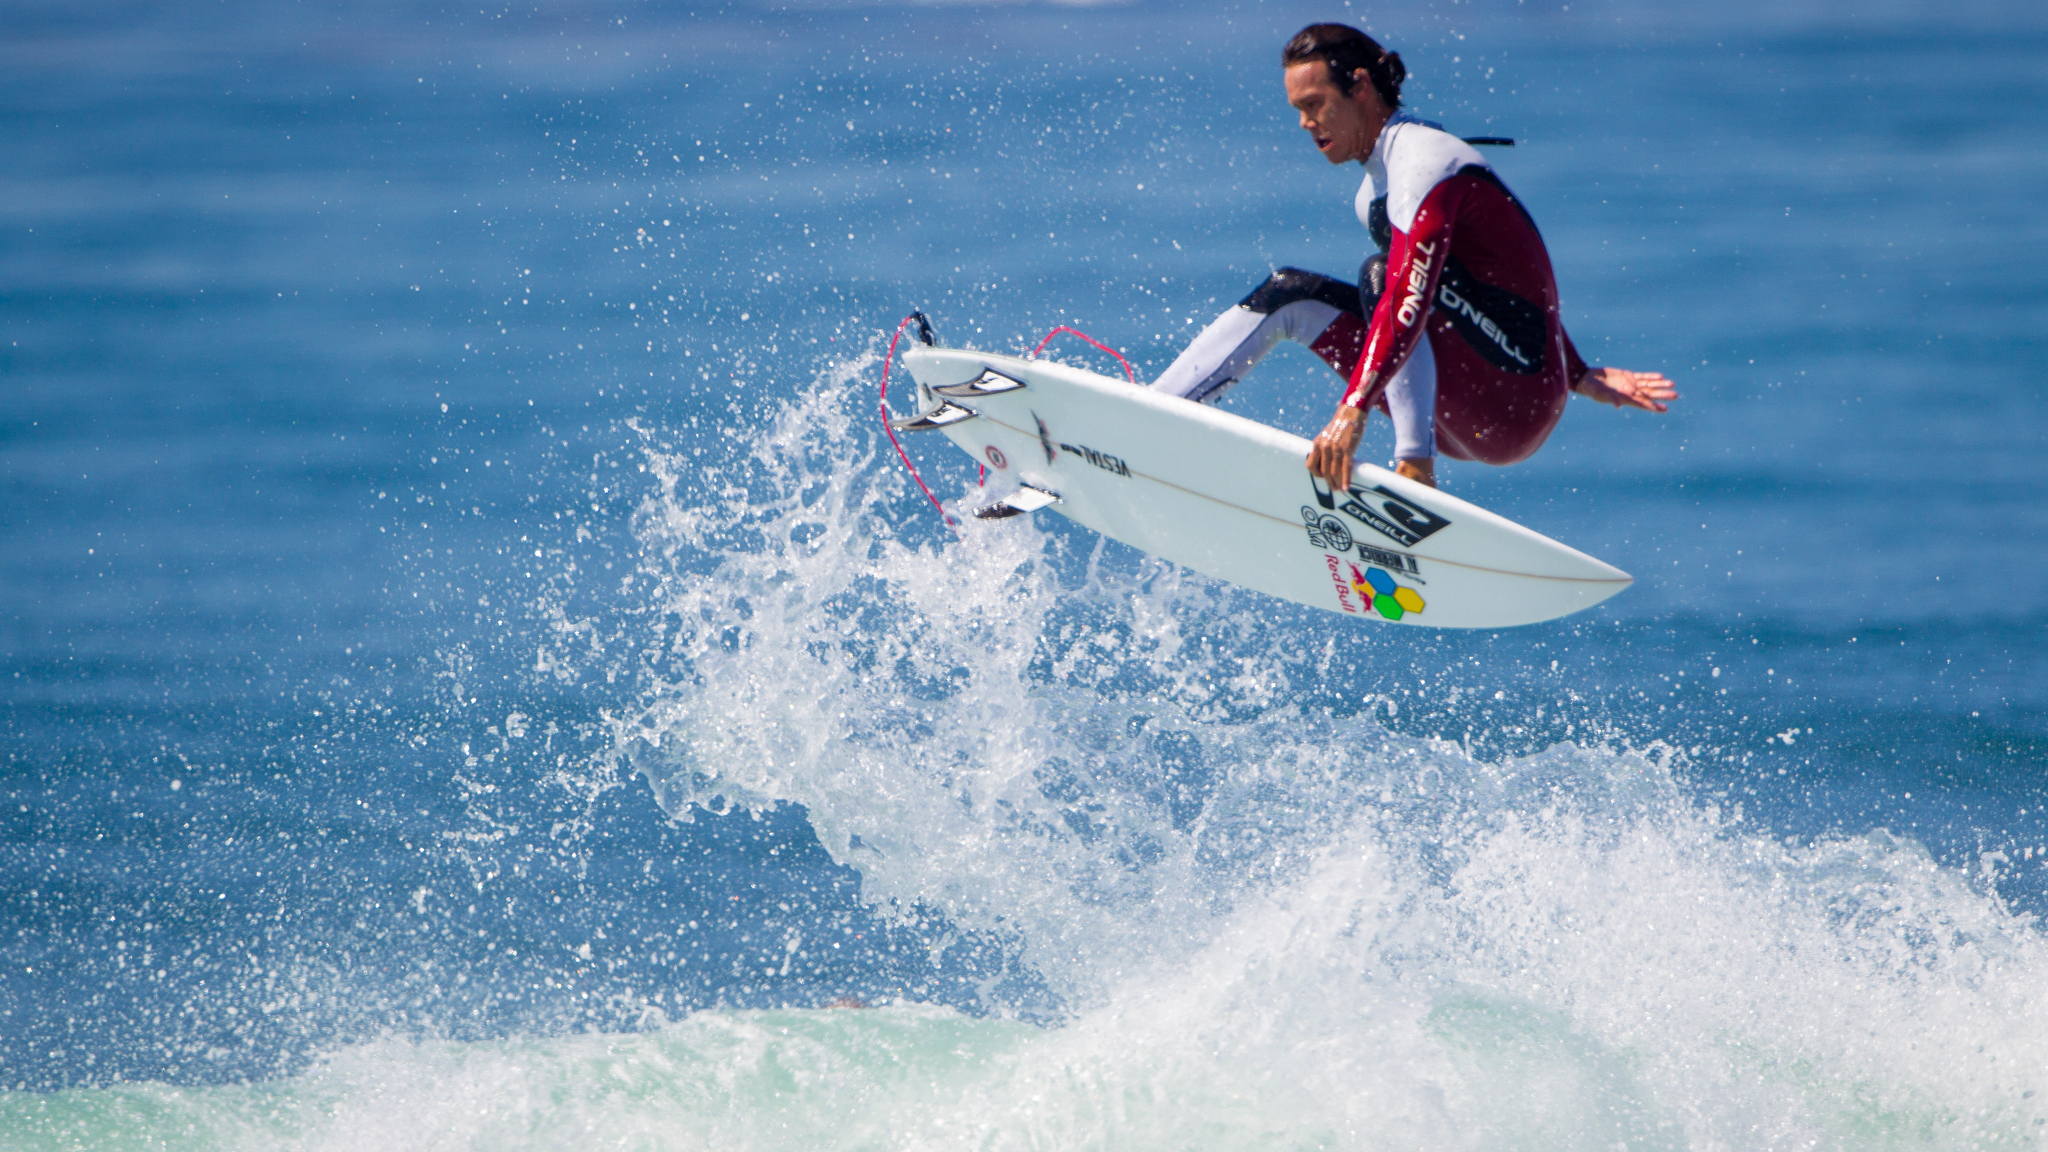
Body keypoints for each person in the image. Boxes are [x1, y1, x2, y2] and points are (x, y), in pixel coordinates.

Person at [1150, 22, 1676, 490]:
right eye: (1298, 111)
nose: (1306, 124)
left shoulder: (1424, 161)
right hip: (1464, 400)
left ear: (1359, 86)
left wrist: (1353, 409)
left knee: (1383, 277)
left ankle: (1414, 471)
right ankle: (1152, 415)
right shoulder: (1375, 186)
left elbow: (1418, 292)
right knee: (1289, 294)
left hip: (1514, 399)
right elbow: (1478, 281)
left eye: (1314, 104)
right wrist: (1581, 372)